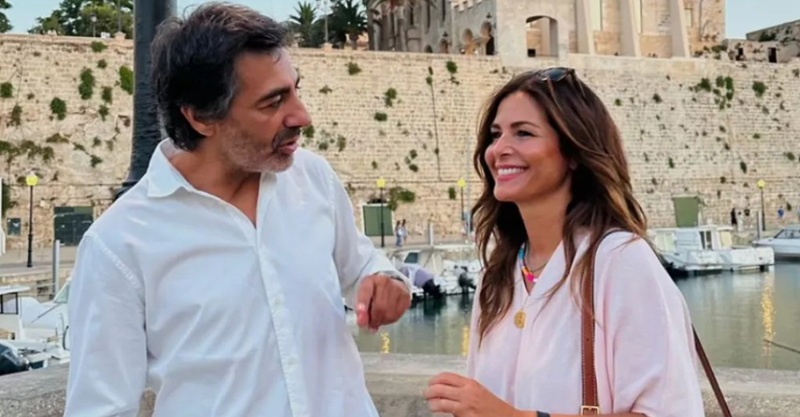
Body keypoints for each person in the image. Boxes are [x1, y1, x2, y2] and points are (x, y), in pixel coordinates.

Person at [64, 4, 412, 417]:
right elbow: (99, 408)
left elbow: (360, 268)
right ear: (200, 117)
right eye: (272, 103)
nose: (302, 116)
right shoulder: (117, 246)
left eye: (295, 89)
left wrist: (386, 282)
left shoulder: (312, 177)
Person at [423, 68, 705, 416]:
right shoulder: (496, 276)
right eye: (496, 135)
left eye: (523, 133)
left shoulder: (620, 261)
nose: (499, 149)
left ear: (573, 152)